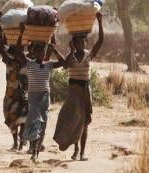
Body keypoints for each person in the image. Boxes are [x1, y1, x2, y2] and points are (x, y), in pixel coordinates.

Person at [53, 12, 105, 160]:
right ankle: (75, 149)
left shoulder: (89, 54)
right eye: (78, 42)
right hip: (73, 91)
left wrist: (99, 22)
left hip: (85, 91)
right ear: (74, 43)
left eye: (83, 42)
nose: (81, 44)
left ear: (86, 43)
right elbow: (65, 66)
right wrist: (71, 51)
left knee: (84, 123)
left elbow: (100, 41)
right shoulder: (72, 56)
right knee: (73, 120)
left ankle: (81, 153)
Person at [14, 30, 65, 161]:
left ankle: (36, 151)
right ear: (34, 53)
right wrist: (21, 34)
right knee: (35, 121)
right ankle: (33, 148)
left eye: (43, 52)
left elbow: (64, 63)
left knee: (43, 123)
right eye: (39, 52)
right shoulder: (30, 63)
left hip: (45, 97)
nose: (41, 54)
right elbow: (19, 51)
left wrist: (54, 50)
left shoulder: (48, 65)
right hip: (33, 97)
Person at [0, 29, 29, 151]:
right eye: (15, 52)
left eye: (19, 52)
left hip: (23, 95)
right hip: (10, 95)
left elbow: (19, 48)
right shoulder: (9, 62)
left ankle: (20, 143)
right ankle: (16, 143)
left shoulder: (26, 62)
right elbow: (1, 48)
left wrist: (21, 34)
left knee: (23, 119)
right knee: (13, 119)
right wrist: (1, 31)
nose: (17, 54)